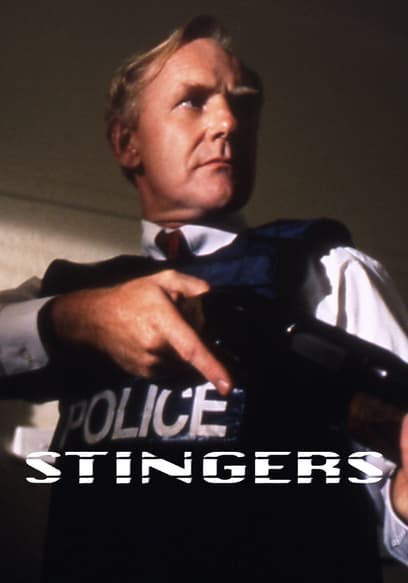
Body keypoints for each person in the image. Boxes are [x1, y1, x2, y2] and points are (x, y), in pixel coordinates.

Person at [1, 15, 408, 582]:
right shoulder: (66, 290)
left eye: (242, 104)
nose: (228, 122)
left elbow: (393, 517)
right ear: (126, 142)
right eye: (193, 101)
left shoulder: (329, 274)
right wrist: (79, 319)